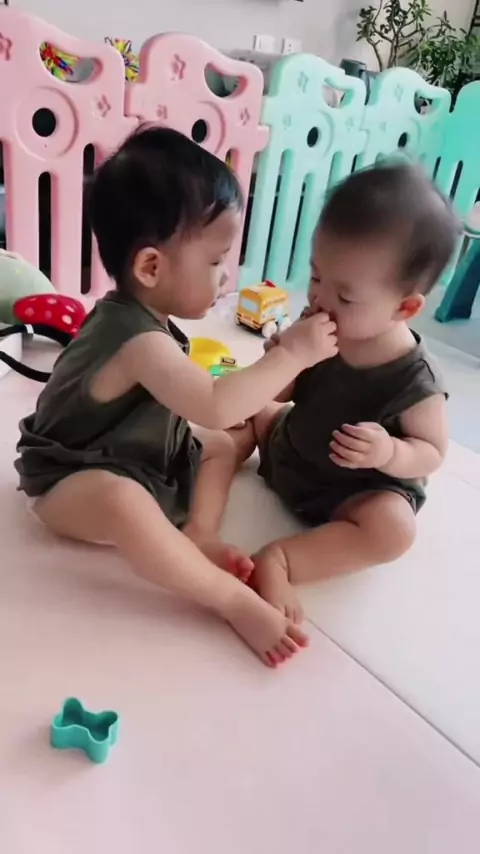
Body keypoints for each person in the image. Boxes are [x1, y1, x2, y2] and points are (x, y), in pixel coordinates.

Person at [15, 126, 338, 667]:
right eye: (215, 262)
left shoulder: (149, 319)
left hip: (138, 453)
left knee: (218, 444)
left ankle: (199, 532)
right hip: (71, 481)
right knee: (124, 501)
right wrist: (291, 356)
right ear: (150, 267)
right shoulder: (137, 340)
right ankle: (228, 599)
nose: (226, 277)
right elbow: (214, 402)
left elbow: (211, 412)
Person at [250, 162, 458, 622]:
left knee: (395, 530)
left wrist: (389, 452)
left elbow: (430, 453)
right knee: (240, 401)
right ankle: (208, 469)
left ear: (405, 307)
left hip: (354, 493)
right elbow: (281, 395)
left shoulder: (416, 378)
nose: (320, 299)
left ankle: (281, 560)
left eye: (345, 296)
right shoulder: (318, 323)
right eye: (316, 277)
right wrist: (284, 359)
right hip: (290, 451)